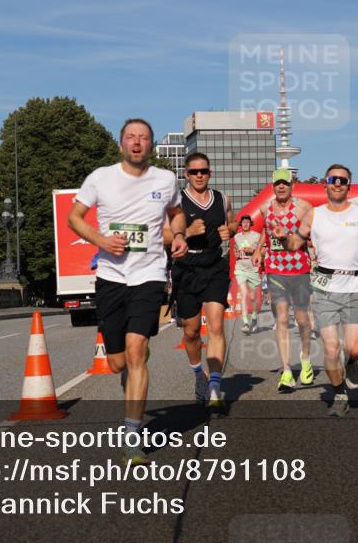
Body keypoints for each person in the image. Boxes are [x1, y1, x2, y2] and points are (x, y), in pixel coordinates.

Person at [68, 118, 187, 464]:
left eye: (144, 138)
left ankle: (133, 437)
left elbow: (176, 214)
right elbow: (75, 218)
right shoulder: (100, 177)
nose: (137, 143)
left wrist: (178, 235)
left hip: (149, 274)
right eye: (131, 137)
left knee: (137, 350)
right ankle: (132, 365)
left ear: (150, 145)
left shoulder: (165, 180)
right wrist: (101, 239)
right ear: (121, 144)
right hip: (110, 276)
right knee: (118, 363)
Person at [275, 164, 358, 416]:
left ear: (349, 186)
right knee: (331, 347)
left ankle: (353, 362)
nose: (337, 183)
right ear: (325, 184)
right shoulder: (314, 215)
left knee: (356, 348)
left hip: (356, 287)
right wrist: (283, 237)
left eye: (343, 180)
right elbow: (294, 244)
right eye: (333, 179)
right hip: (325, 288)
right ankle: (338, 393)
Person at [167, 152, 236, 409]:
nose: (199, 175)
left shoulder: (222, 198)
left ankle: (216, 385)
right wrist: (185, 232)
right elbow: (163, 234)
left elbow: (234, 221)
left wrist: (231, 229)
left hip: (214, 265)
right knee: (192, 331)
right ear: (186, 174)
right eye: (194, 172)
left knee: (216, 324)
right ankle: (199, 375)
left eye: (203, 171)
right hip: (186, 268)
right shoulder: (176, 202)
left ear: (210, 173)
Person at [256, 168, 315, 391]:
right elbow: (266, 231)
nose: (281, 187)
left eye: (285, 183)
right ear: (273, 186)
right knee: (281, 319)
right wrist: (259, 250)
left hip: (299, 269)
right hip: (275, 269)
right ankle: (287, 371)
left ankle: (306, 359)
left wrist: (290, 238)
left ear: (292, 185)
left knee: (302, 320)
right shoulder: (265, 208)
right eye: (278, 183)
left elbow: (310, 233)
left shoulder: (304, 207)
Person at [233, 214, 262, 335]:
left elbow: (263, 251)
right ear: (241, 224)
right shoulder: (237, 237)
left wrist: (253, 251)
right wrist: (236, 254)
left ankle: (254, 317)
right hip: (240, 268)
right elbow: (235, 250)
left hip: (253, 269)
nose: (245, 224)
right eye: (243, 222)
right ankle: (245, 323)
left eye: (247, 222)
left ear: (250, 224)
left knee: (253, 297)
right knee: (244, 294)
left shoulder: (257, 236)